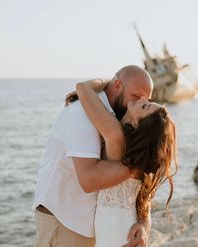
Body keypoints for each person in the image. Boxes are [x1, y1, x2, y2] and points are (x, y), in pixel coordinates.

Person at [33, 65, 154, 247]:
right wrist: (137, 166)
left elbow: (142, 188)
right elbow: (89, 180)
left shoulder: (127, 122)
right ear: (117, 86)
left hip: (100, 228)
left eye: (146, 100)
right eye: (137, 97)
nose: (138, 102)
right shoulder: (80, 114)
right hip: (66, 223)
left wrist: (145, 223)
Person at [65, 78, 177, 246]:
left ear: (137, 124)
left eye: (145, 106)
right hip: (125, 224)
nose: (143, 99)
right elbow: (143, 199)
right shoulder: (138, 157)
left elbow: (83, 88)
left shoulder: (115, 137)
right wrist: (145, 224)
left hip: (114, 227)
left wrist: (111, 82)